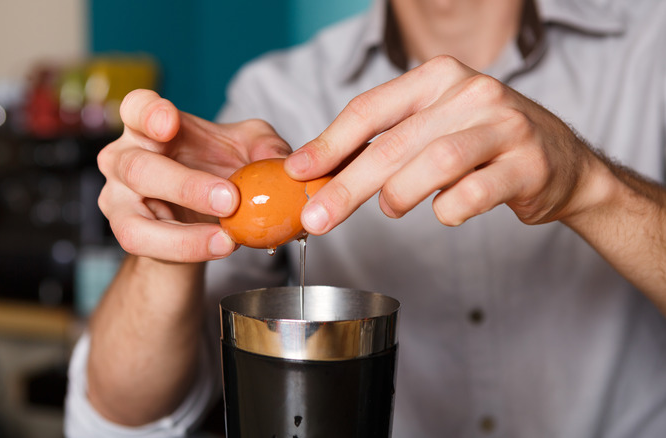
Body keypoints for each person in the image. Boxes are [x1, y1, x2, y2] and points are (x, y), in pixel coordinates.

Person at [65, 0, 666, 436]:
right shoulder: (275, 96)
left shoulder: (652, 48)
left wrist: (592, 185)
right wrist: (169, 246)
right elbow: (115, 418)